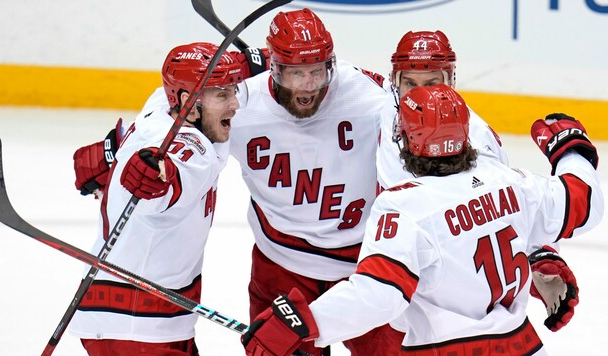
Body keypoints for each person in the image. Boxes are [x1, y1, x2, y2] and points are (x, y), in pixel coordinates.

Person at [241, 84, 603, 356]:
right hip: (524, 346)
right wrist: (572, 150)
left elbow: (379, 294)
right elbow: (582, 202)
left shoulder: (406, 208)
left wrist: (305, 321)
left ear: (408, 141)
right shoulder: (513, 182)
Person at [378, 30, 581, 335]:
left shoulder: (472, 139)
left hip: (439, 299)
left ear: (450, 82)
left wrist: (537, 255)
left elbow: (506, 206)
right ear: (395, 82)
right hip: (398, 273)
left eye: (431, 83)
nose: (418, 94)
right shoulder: (390, 106)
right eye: (410, 83)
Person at [227, 8, 404, 355]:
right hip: (281, 266)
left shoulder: (368, 96)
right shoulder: (242, 104)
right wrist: (123, 155)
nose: (308, 86)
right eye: (296, 73)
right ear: (274, 67)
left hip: (365, 270)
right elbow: (179, 111)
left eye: (317, 72)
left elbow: (444, 119)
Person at [68, 42, 243, 356]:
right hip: (136, 324)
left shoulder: (159, 104)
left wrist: (113, 148)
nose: (235, 104)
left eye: (233, 91)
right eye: (222, 95)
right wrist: (156, 178)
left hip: (146, 312)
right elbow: (169, 179)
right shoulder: (194, 151)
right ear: (189, 103)